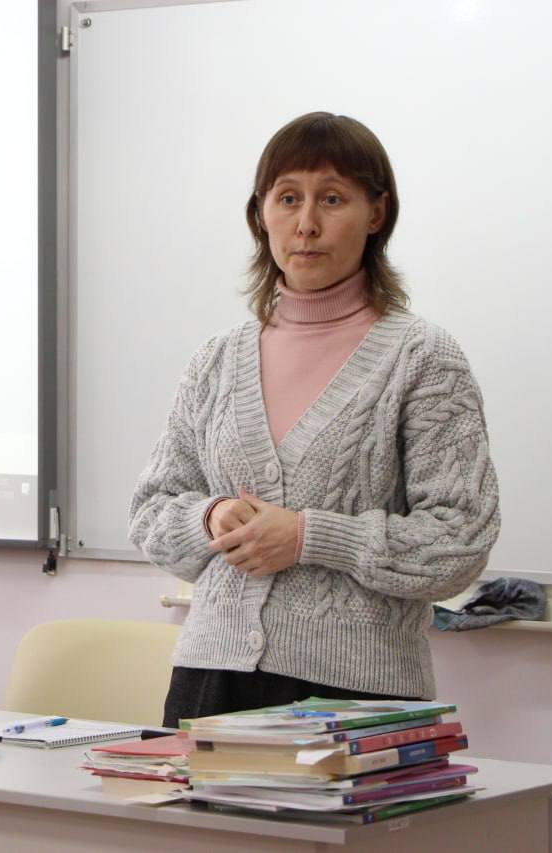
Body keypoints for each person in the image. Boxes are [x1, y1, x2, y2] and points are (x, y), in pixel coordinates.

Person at [128, 112, 501, 728]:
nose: (306, 224)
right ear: (260, 214)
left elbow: (459, 541)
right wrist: (211, 516)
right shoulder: (216, 360)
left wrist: (308, 537)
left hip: (359, 693)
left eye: (332, 199)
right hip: (209, 679)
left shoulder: (423, 358)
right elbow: (150, 512)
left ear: (376, 213)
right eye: (287, 198)